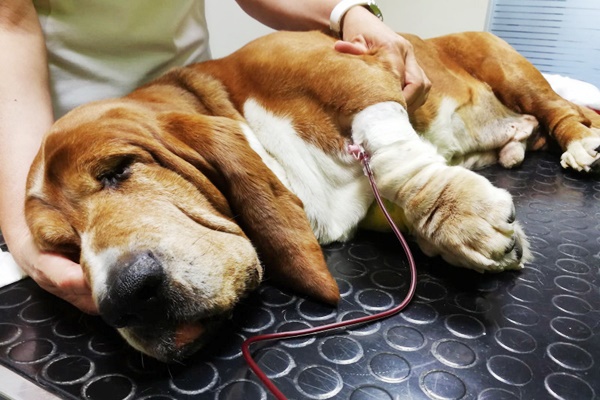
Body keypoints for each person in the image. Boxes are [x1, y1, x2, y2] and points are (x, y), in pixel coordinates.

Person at [0, 0, 430, 314]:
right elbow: (10, 25)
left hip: (186, 108)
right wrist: (27, 242)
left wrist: (347, 11)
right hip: (50, 152)